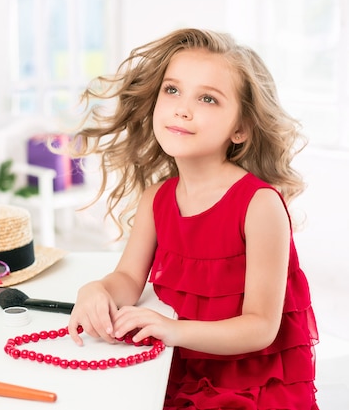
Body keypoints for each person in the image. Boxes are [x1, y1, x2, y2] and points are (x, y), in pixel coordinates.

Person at [66, 28, 319, 410]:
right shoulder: (157, 200)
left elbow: (261, 327)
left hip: (250, 384)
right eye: (172, 90)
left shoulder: (259, 205)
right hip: (177, 367)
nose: (182, 108)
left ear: (241, 129)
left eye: (207, 98)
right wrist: (97, 291)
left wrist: (171, 329)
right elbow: (129, 278)